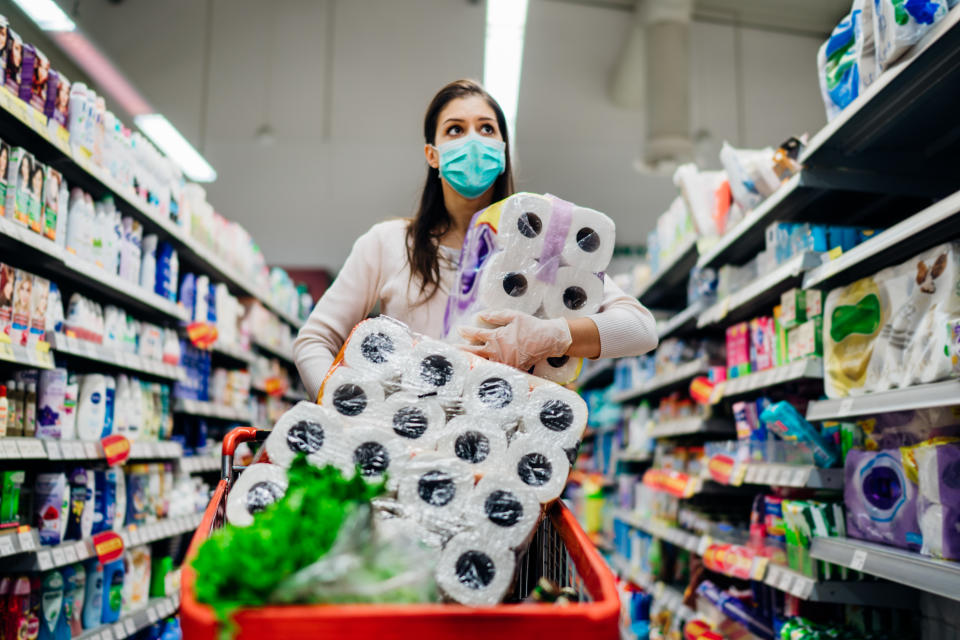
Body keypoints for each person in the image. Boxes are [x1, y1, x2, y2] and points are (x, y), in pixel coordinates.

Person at [294, 79, 657, 401]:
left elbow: (640, 328)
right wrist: (341, 406)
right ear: (432, 156)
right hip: (405, 439)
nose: (473, 141)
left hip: (503, 448)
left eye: (486, 129)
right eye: (455, 130)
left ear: (502, 152)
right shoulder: (388, 243)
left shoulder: (545, 244)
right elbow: (314, 341)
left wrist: (550, 334)